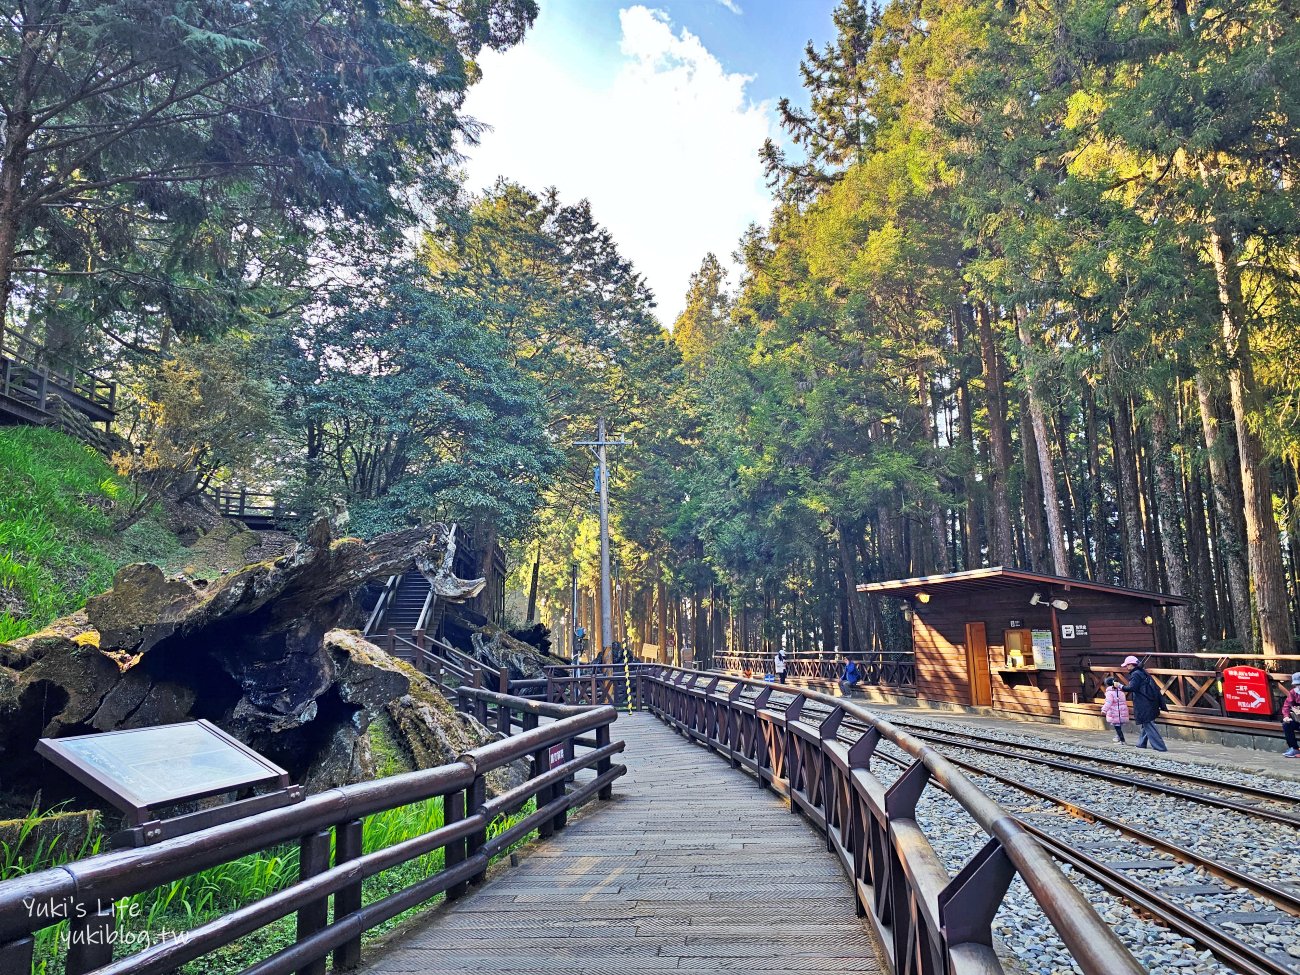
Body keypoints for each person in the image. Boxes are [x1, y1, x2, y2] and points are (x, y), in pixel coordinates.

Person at [1119, 655, 1167, 752]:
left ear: (1132, 665)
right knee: (1147, 723)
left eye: (1127, 665)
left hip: (1144, 703)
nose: (1126, 668)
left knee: (1148, 724)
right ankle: (1141, 744)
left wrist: (1120, 686)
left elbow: (1132, 688)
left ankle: (1160, 747)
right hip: (1150, 701)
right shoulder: (1142, 672)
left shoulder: (1135, 674)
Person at [1101, 676, 1130, 744]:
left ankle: (1122, 741)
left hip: (1115, 712)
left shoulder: (1109, 693)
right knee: (1119, 726)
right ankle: (1118, 737)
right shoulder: (1121, 692)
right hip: (1122, 712)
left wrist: (1104, 710)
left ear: (1107, 685)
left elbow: (1108, 702)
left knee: (1117, 727)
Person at [1282, 672, 1300, 758]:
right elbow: (1286, 706)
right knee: (1286, 725)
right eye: (1297, 684)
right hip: (1298, 720)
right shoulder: (1293, 692)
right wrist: (1286, 716)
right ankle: (1294, 748)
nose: (1298, 686)